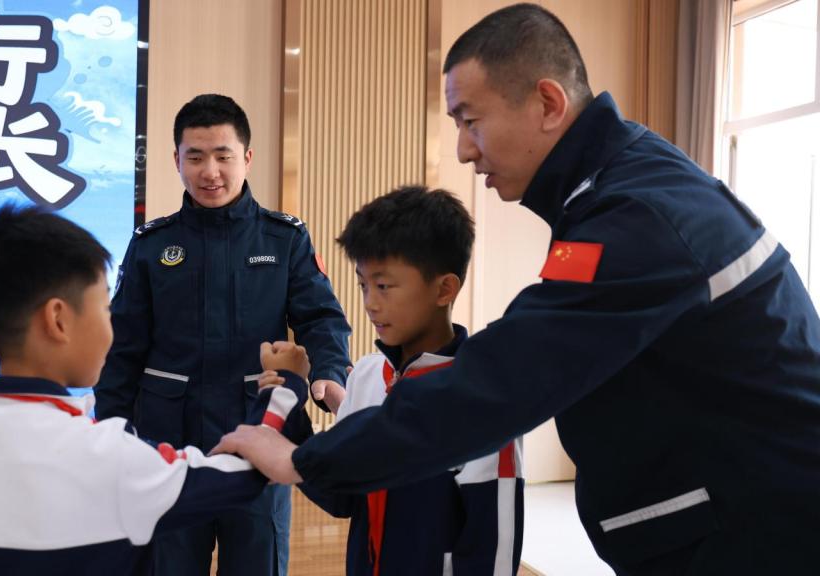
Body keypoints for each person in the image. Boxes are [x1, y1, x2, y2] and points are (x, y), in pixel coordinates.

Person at [214, 4, 820, 574]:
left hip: (758, 533)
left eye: (471, 121)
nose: (462, 149)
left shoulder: (637, 216)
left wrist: (304, 459)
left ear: (547, 103)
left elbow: (506, 378)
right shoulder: (621, 188)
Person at [0, 204, 315, 576]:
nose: (113, 324)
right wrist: (285, 387)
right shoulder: (109, 457)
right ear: (58, 319)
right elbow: (249, 471)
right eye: (106, 306)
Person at [95, 94, 352, 576]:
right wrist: (109, 432)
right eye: (195, 157)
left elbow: (321, 318)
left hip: (259, 438)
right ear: (176, 160)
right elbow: (122, 348)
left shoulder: (284, 239)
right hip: (167, 448)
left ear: (247, 158)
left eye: (222, 156)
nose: (209, 171)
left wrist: (329, 372)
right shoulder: (152, 245)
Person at [296, 185, 523, 575]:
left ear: (444, 288)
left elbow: (493, 548)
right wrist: (288, 415)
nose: (369, 303)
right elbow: (341, 496)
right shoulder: (367, 375)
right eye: (363, 285)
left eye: (384, 286)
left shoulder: (484, 396)